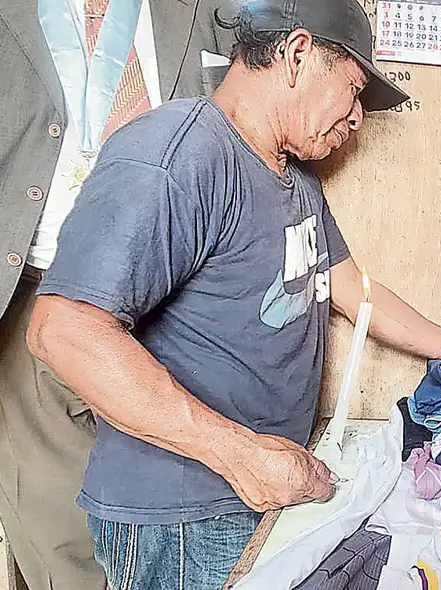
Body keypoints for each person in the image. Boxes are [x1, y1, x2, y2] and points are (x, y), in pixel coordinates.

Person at [25, 0, 441, 587]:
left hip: (261, 494)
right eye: (352, 91)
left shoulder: (293, 176)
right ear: (297, 56)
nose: (356, 120)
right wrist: (242, 458)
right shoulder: (178, 156)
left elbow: (350, 286)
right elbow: (62, 330)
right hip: (183, 517)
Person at [0, 0, 235, 587]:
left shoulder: (206, 13)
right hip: (32, 287)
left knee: (166, 512)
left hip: (170, 303)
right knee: (51, 515)